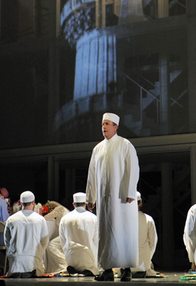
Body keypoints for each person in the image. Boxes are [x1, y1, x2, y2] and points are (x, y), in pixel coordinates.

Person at [86, 112, 139, 282]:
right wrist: (90, 197)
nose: (104, 127)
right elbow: (92, 174)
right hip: (104, 200)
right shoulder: (98, 148)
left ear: (115, 127)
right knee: (106, 233)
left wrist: (131, 191)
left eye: (107, 124)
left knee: (124, 231)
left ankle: (126, 270)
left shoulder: (125, 144)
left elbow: (133, 168)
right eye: (103, 124)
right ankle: (107, 269)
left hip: (122, 198)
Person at [4, 190, 49, 278]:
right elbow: (44, 241)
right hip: (33, 262)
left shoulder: (11, 219)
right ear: (33, 202)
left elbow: (7, 241)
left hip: (15, 264)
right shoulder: (40, 219)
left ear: (20, 203)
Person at [59, 192, 98, 276]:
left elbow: (62, 241)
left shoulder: (65, 218)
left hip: (71, 256)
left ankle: (75, 270)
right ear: (85, 204)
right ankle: (86, 271)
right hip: (88, 256)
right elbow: (97, 240)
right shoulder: (93, 218)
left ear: (73, 204)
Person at [131, 192, 158, 278]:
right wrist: (148, 259)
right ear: (140, 203)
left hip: (125, 266)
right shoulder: (148, 219)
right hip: (143, 266)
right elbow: (153, 243)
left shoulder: (121, 220)